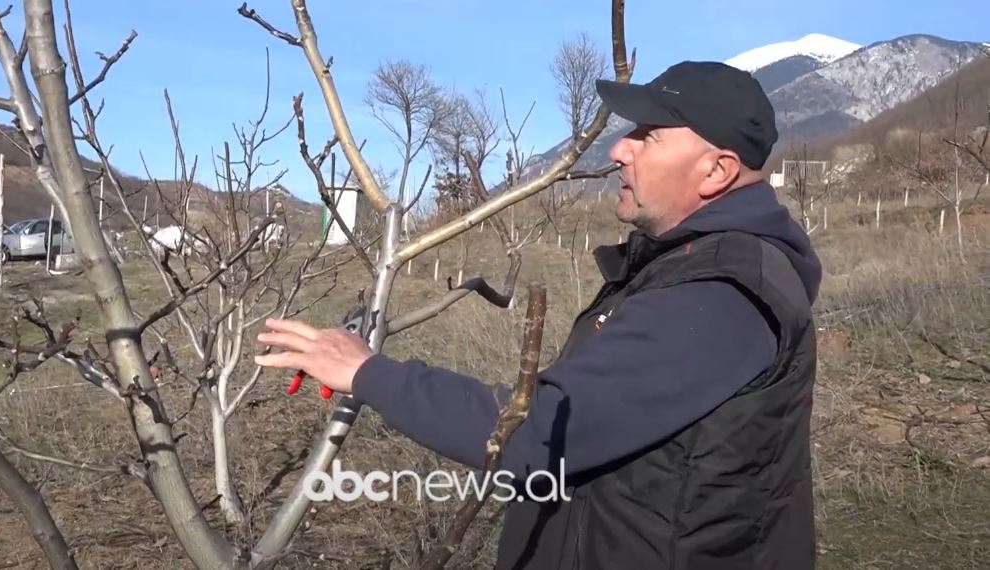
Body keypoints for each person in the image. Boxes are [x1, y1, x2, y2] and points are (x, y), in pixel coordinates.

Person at [254, 60, 823, 570]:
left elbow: (538, 432)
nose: (622, 148)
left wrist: (366, 372)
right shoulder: (686, 268)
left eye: (648, 135)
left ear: (716, 172)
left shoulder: (721, 294)